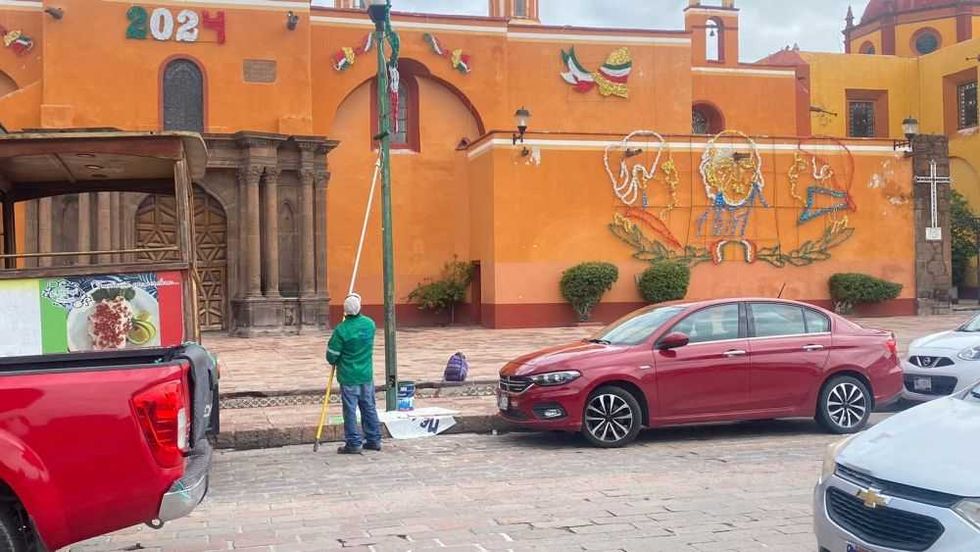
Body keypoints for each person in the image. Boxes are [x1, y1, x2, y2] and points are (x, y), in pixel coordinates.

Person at [326, 293, 382, 454]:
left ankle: (353, 442)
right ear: (360, 307)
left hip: (348, 376)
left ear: (344, 311)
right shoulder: (370, 324)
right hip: (365, 375)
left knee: (350, 410)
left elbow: (331, 355)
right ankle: (374, 439)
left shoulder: (341, 330)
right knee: (369, 407)